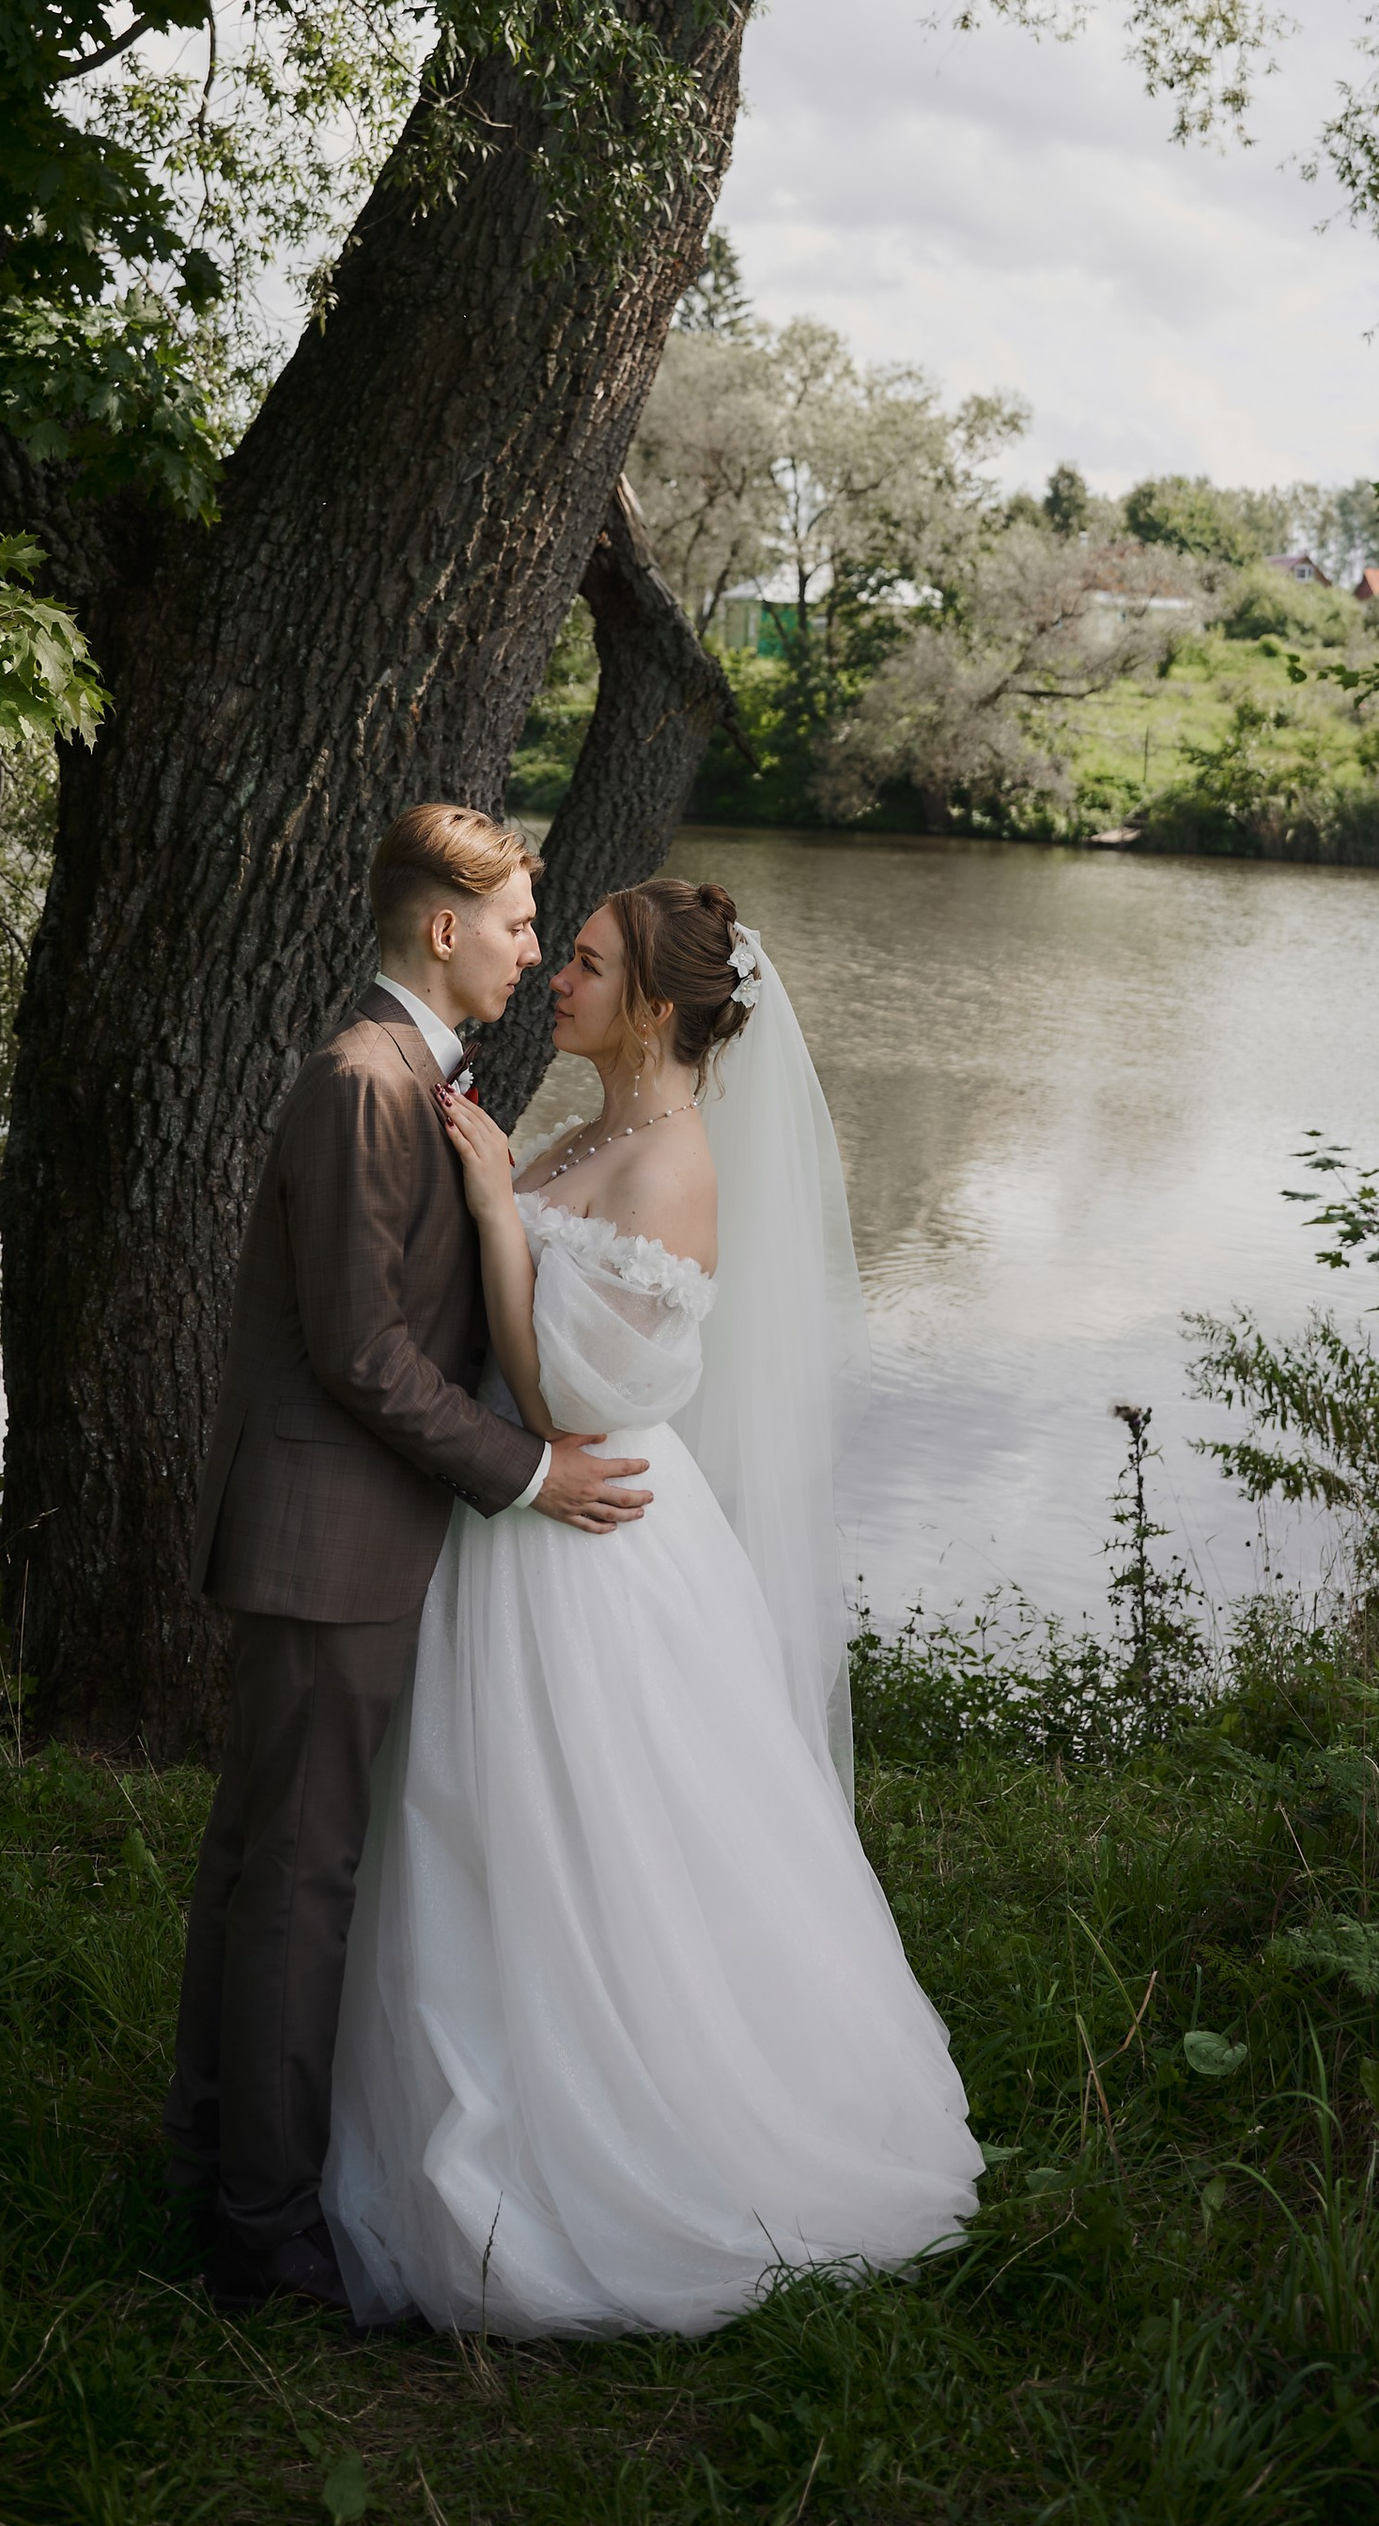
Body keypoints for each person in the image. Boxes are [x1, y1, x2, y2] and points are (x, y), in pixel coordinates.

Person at [324, 875, 983, 2336]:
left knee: (593, 1841)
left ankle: (624, 2148)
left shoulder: (672, 1166)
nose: (556, 978)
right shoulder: (588, 1132)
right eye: (560, 954)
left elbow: (566, 1401)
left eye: (586, 962)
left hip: (590, 1541)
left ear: (657, 1006)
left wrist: (494, 1207)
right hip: (513, 1527)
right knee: (469, 1832)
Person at [164, 803, 650, 2315]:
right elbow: (362, 1350)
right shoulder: (363, 1081)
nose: (532, 951)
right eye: (517, 925)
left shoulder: (410, 1074)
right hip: (328, 1542)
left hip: (354, 1534)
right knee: (295, 1877)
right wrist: (527, 1470)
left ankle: (216, 2166)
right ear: (445, 929)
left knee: (271, 1864)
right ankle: (263, 2231)